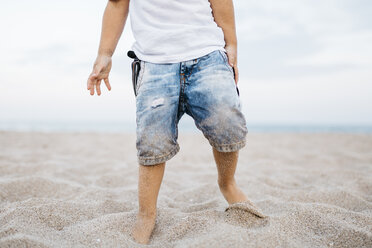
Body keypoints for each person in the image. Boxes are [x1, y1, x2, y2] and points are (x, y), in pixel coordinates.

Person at [87, 0, 265, 245]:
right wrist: (104, 54)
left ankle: (227, 183)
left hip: (207, 55)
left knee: (227, 122)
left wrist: (231, 43)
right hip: (153, 62)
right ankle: (146, 213)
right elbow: (117, 4)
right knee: (153, 140)